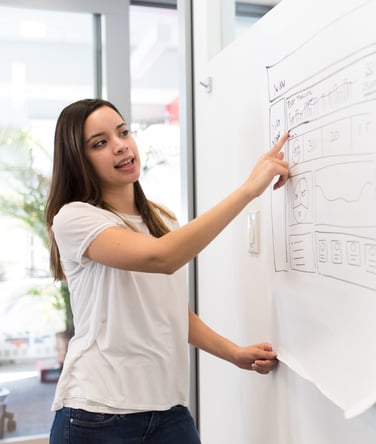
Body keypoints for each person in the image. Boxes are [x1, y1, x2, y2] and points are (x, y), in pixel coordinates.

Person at [45, 98, 289, 444]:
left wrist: (233, 353)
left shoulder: (161, 221)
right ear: (78, 160)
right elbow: (163, 258)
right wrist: (249, 190)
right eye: (100, 143)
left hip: (168, 411)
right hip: (97, 413)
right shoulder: (75, 218)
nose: (120, 146)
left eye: (123, 132)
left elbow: (169, 311)